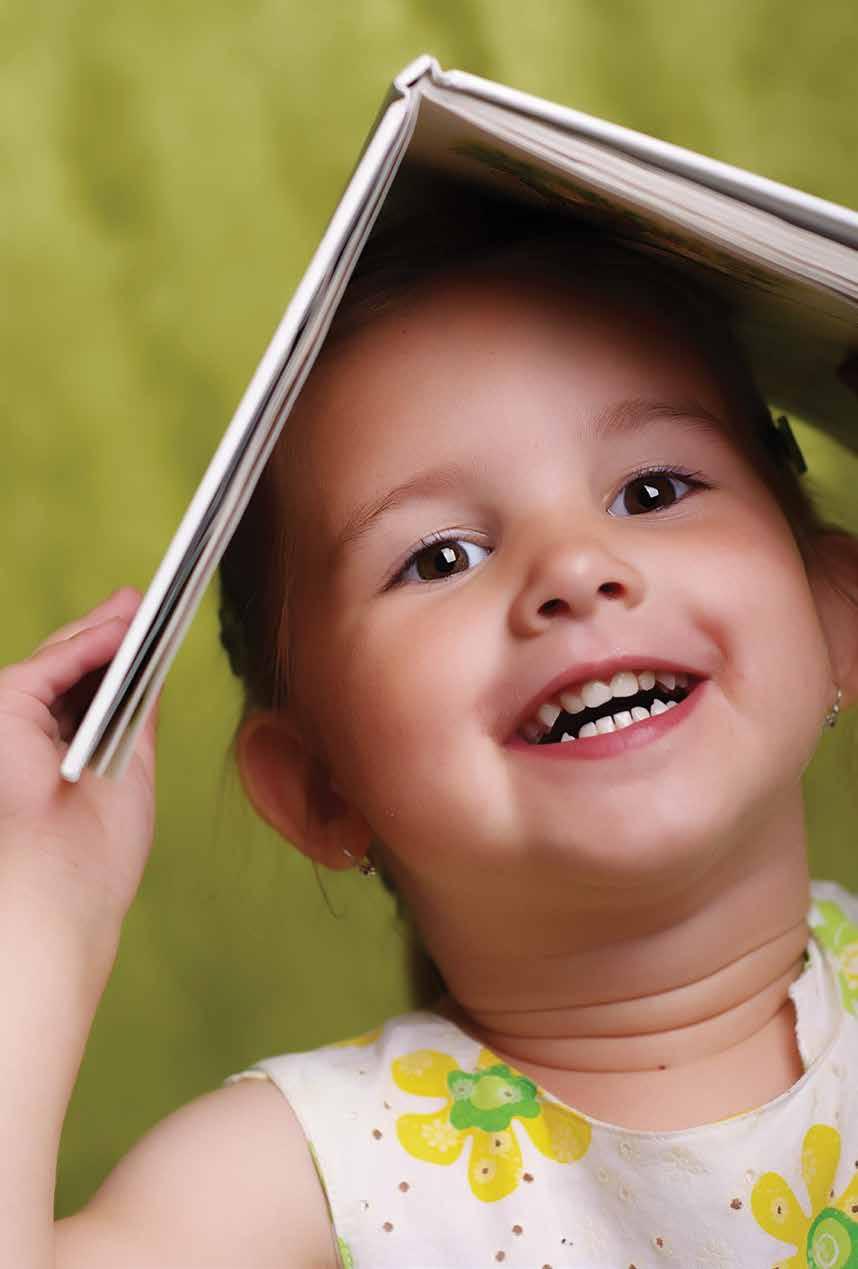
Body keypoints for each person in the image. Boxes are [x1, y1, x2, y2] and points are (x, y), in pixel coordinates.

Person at [3, 198, 858, 1267]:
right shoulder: (309, 1172)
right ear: (322, 790)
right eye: (439, 558)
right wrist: (38, 906)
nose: (572, 569)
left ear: (836, 616)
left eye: (653, 488)